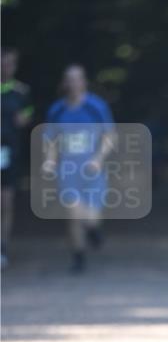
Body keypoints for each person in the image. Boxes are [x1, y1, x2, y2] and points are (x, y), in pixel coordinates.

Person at [43, 64, 115, 273]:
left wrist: (98, 159)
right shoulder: (57, 109)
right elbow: (51, 140)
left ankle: (94, 230)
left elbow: (110, 135)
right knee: (73, 213)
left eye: (77, 79)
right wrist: (49, 161)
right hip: (67, 171)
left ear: (84, 82)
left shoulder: (96, 106)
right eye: (69, 79)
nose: (73, 84)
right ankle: (78, 257)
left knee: (90, 217)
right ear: (64, 83)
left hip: (92, 171)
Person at [1, 48, 33, 269]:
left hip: (8, 154)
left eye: (10, 63)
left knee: (6, 202)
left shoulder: (21, 92)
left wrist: (21, 119)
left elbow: (26, 119)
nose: (6, 67)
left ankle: (2, 247)